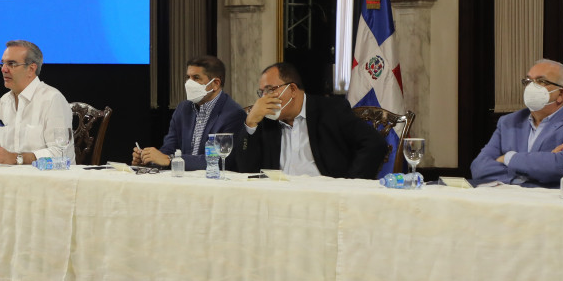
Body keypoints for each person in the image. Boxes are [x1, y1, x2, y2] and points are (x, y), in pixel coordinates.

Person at [228, 62, 387, 178]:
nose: (264, 98)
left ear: (292, 89)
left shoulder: (331, 110)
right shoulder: (265, 120)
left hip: (324, 198)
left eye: (270, 90)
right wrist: (250, 124)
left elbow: (374, 143)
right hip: (279, 198)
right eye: (261, 92)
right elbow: (245, 170)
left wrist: (351, 183)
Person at [470, 59, 563, 191]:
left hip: (558, 201)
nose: (531, 87)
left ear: (561, 94)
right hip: (510, 199)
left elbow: (561, 167)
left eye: (541, 81)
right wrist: (532, 173)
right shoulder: (508, 122)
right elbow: (479, 167)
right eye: (528, 81)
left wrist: (508, 158)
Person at [0, 40, 71, 165]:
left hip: (45, 176)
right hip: (10, 175)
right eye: (2, 63)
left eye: (12, 64)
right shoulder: (4, 101)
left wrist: (17, 158)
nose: (4, 69)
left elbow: (61, 154)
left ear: (31, 69)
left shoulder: (52, 99)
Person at [132, 54, 246, 170]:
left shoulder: (233, 114)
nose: (189, 83)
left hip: (212, 179)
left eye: (196, 78)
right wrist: (150, 159)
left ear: (215, 83)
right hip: (182, 177)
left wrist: (170, 160)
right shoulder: (183, 108)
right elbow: (169, 149)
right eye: (188, 77)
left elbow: (220, 159)